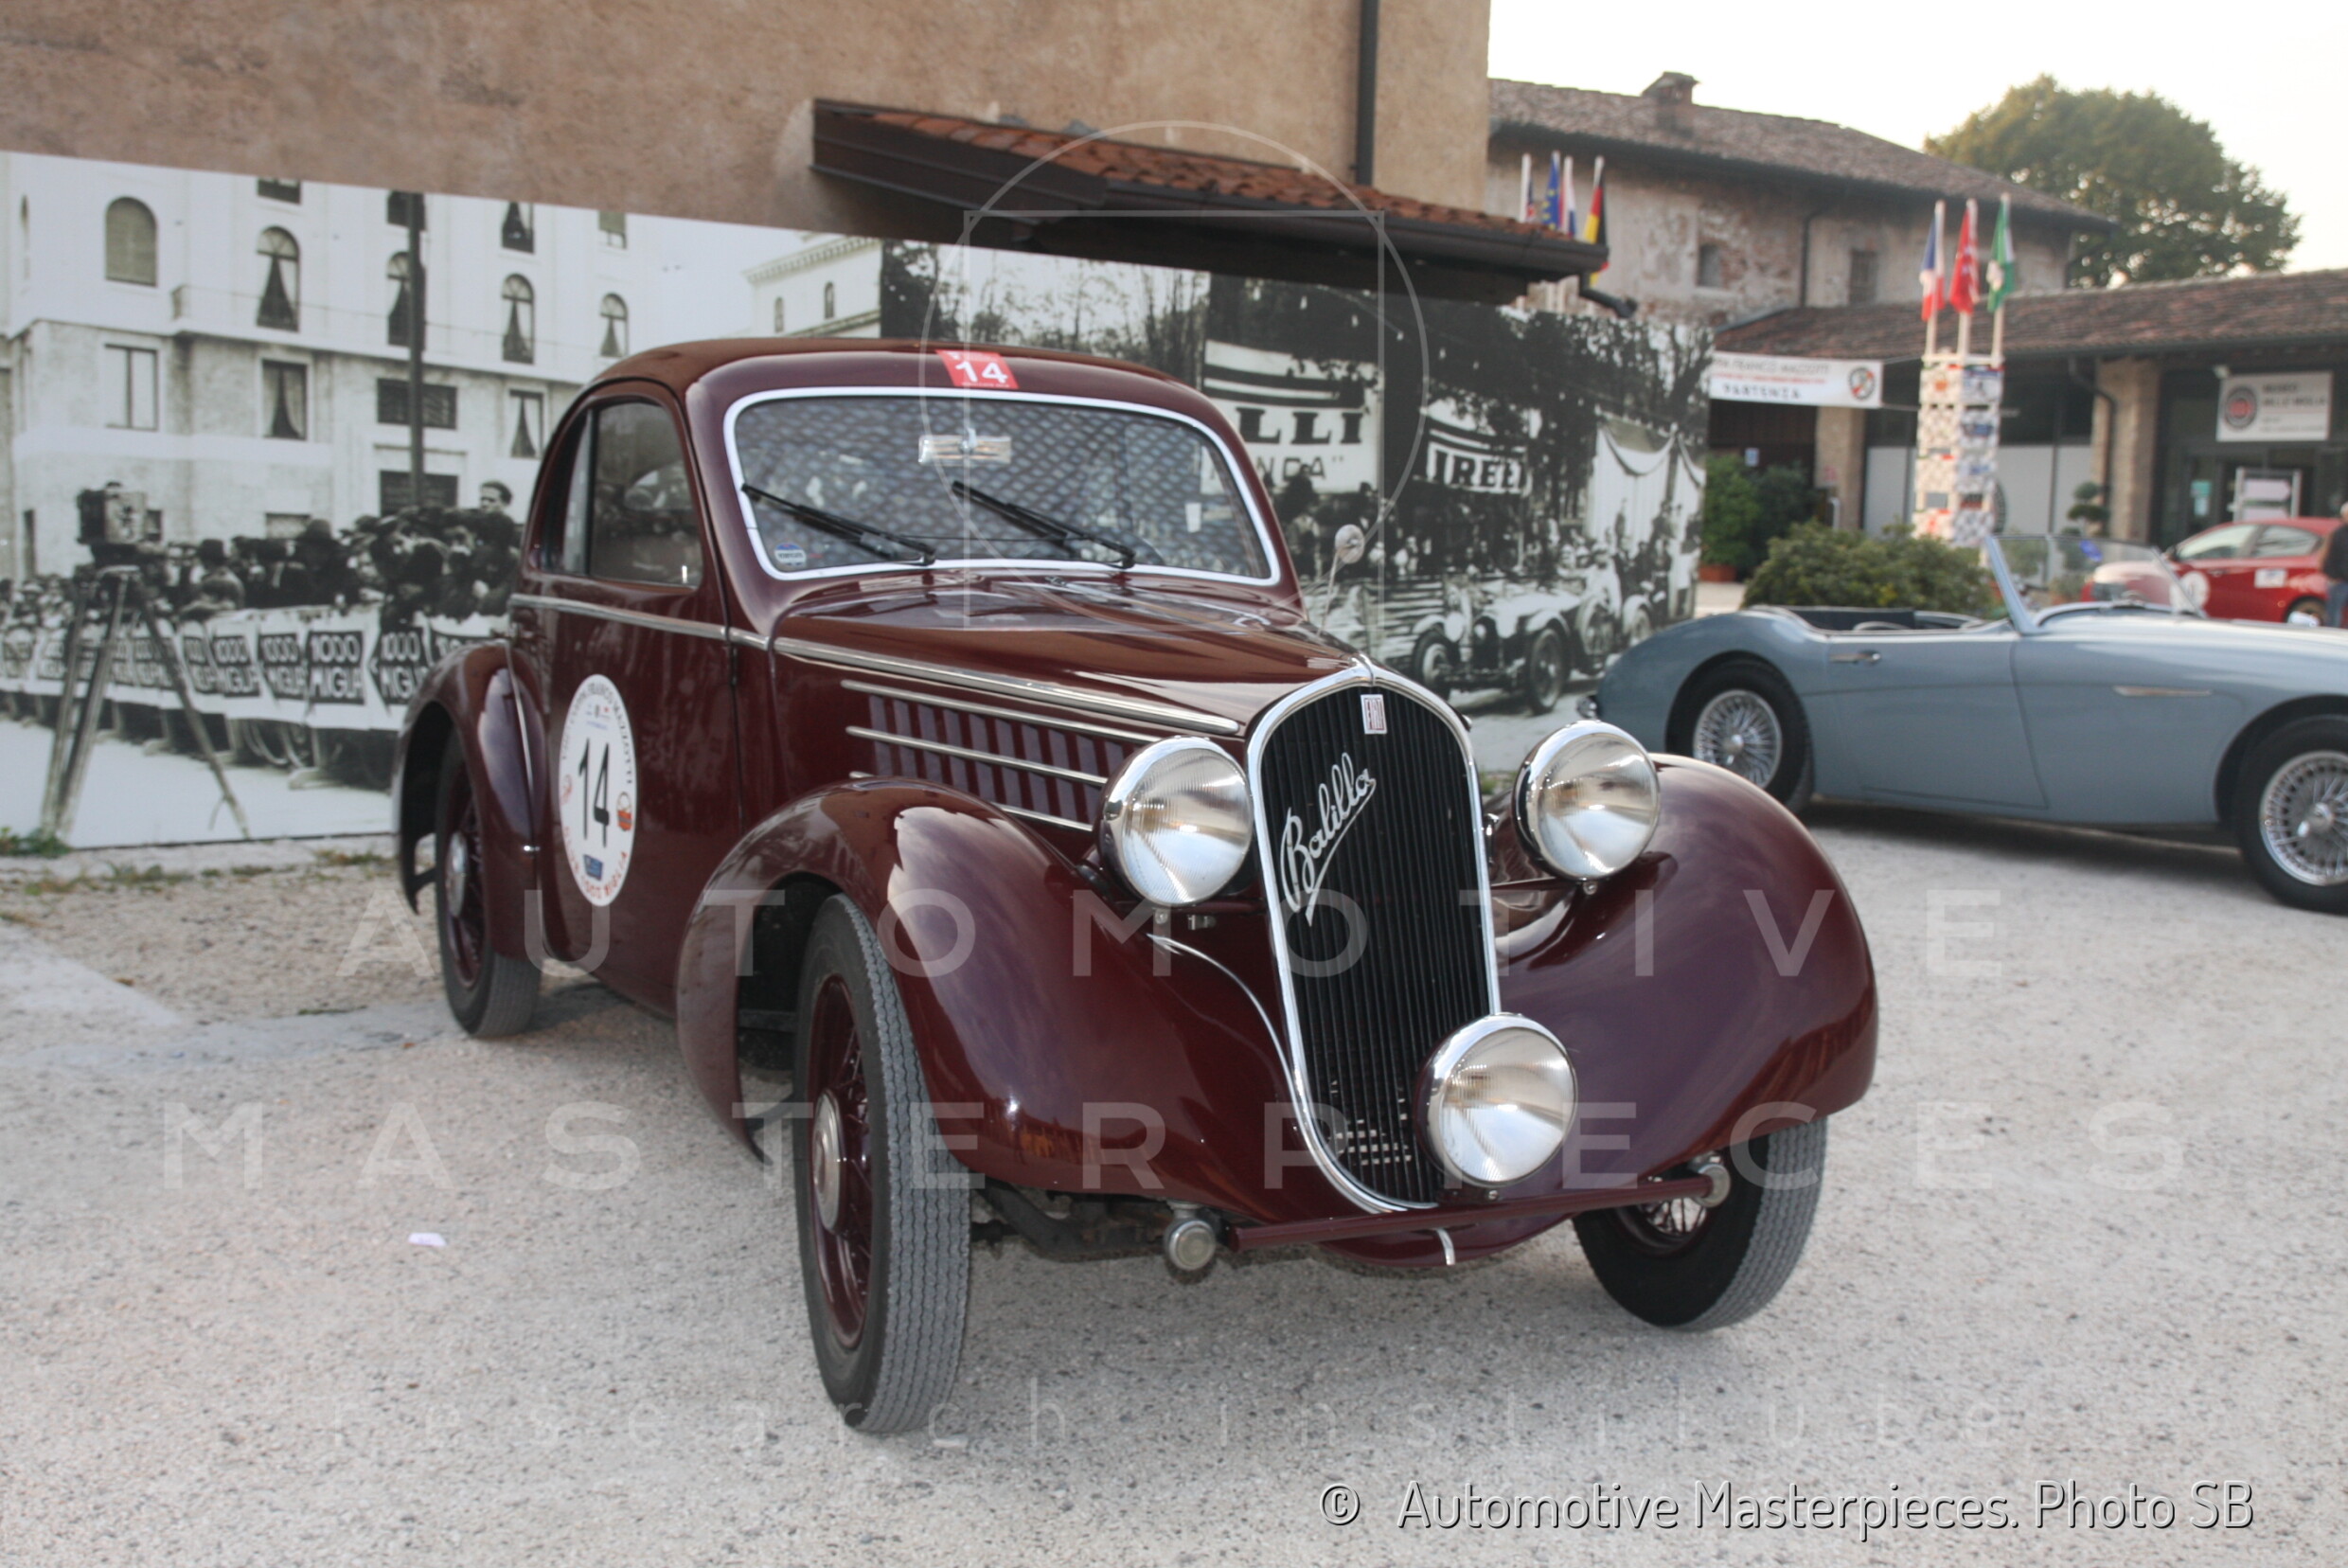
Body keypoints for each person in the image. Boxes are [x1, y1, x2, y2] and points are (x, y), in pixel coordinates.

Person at [2326, 505, 2348, 628]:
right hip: (2340, 581)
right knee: (2334, 613)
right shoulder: (2338, 534)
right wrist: (2334, 576)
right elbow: (2331, 556)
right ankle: (2331, 634)